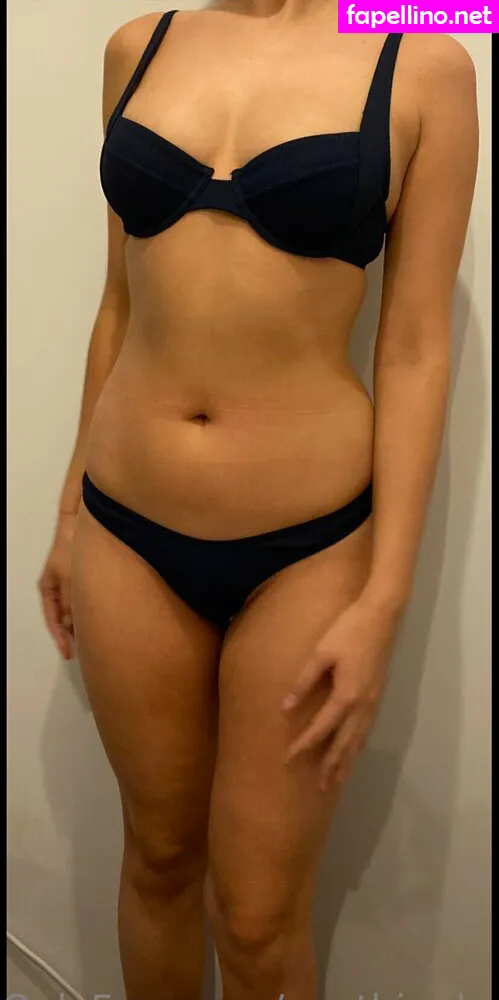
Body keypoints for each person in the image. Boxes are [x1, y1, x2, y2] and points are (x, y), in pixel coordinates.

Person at [37, 3, 478, 998]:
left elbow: (414, 346)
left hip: (307, 549)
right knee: (157, 862)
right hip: (123, 526)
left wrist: (385, 599)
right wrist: (66, 517)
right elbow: (119, 301)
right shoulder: (139, 45)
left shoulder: (423, 58)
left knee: (256, 918)